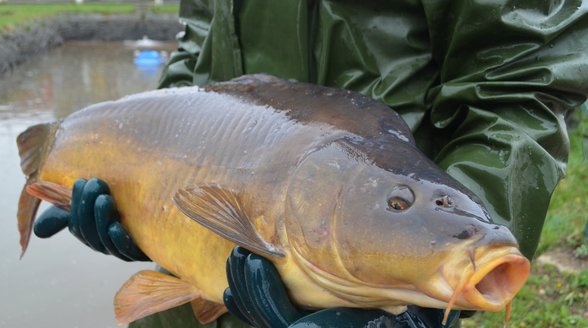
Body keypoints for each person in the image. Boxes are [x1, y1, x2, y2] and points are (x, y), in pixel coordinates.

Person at [34, 0, 588, 327]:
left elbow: (523, 83)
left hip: (363, 258)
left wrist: (413, 304)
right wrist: (146, 198)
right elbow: (197, 44)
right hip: (200, 285)